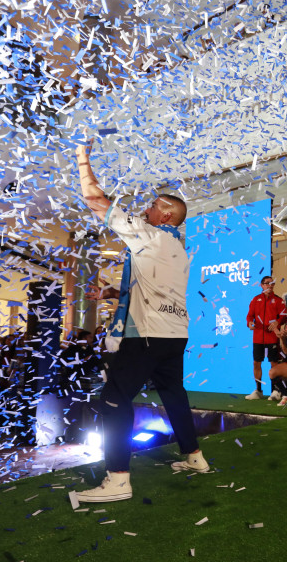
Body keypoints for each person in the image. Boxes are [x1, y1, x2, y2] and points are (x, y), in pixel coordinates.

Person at [74, 139, 207, 503]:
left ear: (166, 216)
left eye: (153, 207)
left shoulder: (149, 235)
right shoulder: (177, 248)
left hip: (147, 335)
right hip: (174, 334)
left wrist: (83, 159)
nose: (146, 210)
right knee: (174, 395)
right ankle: (195, 458)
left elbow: (95, 200)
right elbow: (152, 288)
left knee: (113, 400)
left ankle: (118, 480)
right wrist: (112, 296)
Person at [245, 276, 286, 400]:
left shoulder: (278, 300)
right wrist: (249, 323)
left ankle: (276, 391)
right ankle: (258, 390)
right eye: (267, 283)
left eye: (272, 283)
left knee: (274, 363)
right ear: (261, 285)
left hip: (272, 337)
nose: (270, 285)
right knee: (256, 363)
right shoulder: (255, 299)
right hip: (258, 337)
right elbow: (249, 316)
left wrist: (277, 323)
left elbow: (284, 316)